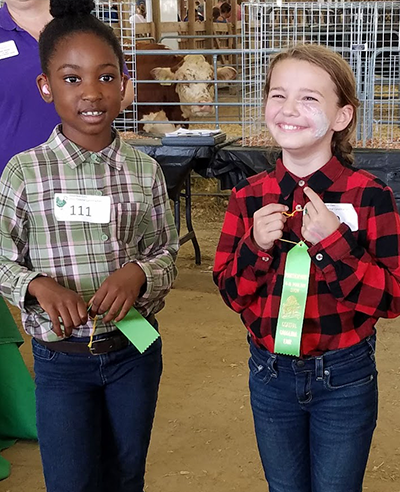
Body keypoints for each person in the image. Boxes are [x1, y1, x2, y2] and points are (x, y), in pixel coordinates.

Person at [0, 1, 179, 491]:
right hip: (61, 361)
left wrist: (139, 274)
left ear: (124, 84)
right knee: (70, 480)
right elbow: (1, 255)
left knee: (126, 473)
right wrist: (36, 284)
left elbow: (166, 251)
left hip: (134, 352)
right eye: (71, 79)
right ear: (45, 87)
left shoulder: (144, 172)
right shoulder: (24, 173)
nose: (91, 94)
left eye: (105, 77)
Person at [213, 44, 400, 492]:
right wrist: (256, 246)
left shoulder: (370, 196)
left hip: (345, 374)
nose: (289, 109)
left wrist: (335, 244)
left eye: (309, 98)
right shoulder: (248, 197)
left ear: (341, 117)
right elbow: (231, 292)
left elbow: (393, 298)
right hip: (269, 374)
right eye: (278, 95)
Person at [0, 0, 134, 173]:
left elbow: (126, 91)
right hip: (11, 173)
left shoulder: (84, 28)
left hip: (88, 167)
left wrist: (88, 110)